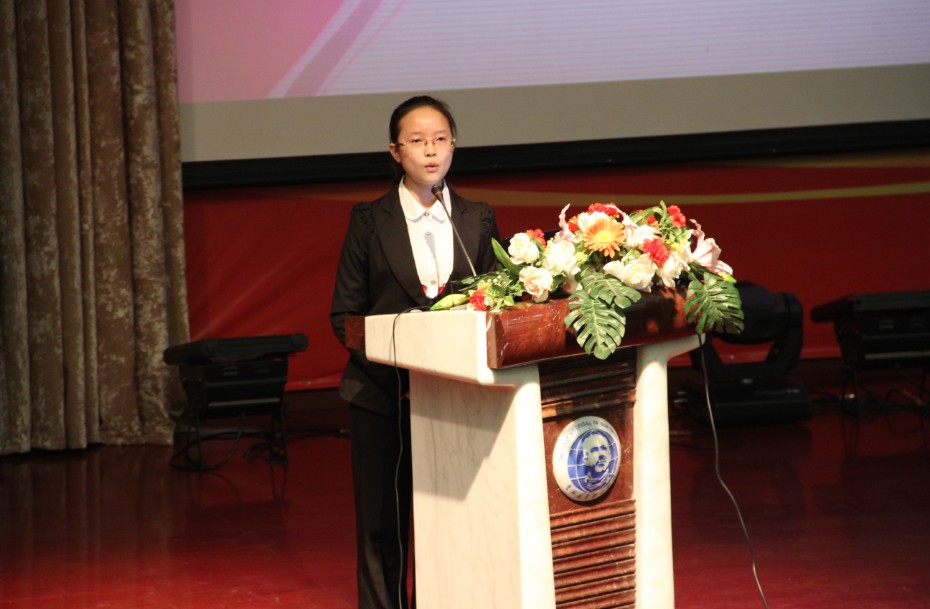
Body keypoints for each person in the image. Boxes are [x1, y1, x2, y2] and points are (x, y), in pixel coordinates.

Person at [329, 95, 500, 609]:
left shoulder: (477, 220)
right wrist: (400, 367)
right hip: (382, 395)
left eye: (441, 140)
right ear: (395, 150)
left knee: (448, 516)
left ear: (454, 146)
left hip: (456, 397)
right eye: (418, 141)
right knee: (383, 524)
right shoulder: (369, 221)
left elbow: (498, 302)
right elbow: (346, 316)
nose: (431, 151)